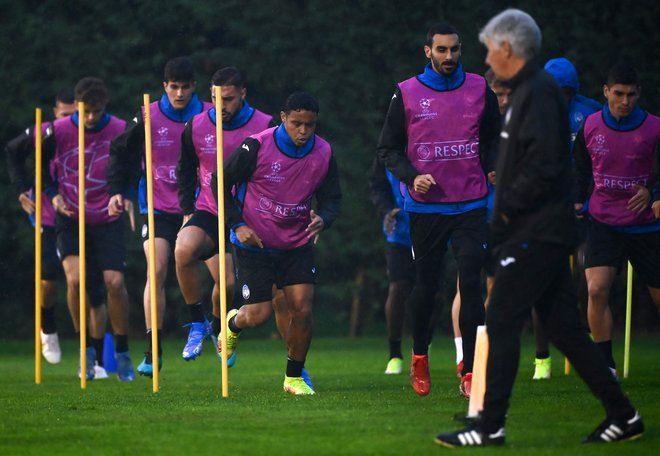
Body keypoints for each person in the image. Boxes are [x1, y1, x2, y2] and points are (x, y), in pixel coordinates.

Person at [435, 9, 643, 447]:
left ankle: (489, 425)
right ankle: (623, 416)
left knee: (503, 316)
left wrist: (508, 214)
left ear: (508, 48)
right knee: (566, 330)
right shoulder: (529, 92)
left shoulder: (539, 93)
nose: (488, 61)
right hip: (538, 230)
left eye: (491, 50)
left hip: (536, 231)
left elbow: (546, 167)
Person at [377, 22, 500, 398]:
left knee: (471, 281)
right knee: (427, 288)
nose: (449, 57)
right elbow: (388, 150)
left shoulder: (481, 88)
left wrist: (494, 165)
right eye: (442, 50)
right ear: (427, 51)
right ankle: (418, 356)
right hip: (428, 208)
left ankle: (468, 369)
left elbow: (494, 138)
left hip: (471, 204)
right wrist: (413, 177)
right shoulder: (407, 92)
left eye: (455, 50)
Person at [218, 91, 341, 395]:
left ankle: (293, 377)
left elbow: (332, 199)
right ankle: (232, 324)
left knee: (302, 309)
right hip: (255, 244)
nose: (302, 131)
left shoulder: (324, 153)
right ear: (283, 118)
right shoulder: (256, 145)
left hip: (296, 243)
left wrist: (323, 218)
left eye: (309, 125)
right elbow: (219, 182)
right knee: (256, 316)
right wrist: (238, 224)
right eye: (296, 123)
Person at [107, 56, 211, 377]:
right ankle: (153, 352)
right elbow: (119, 151)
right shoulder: (146, 115)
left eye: (185, 87)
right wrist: (118, 191)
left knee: (223, 274)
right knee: (158, 268)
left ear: (194, 87)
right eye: (173, 87)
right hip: (155, 207)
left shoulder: (208, 115)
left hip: (199, 207)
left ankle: (218, 329)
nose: (179, 93)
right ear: (165, 86)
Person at [5, 88, 110, 378]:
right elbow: (12, 151)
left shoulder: (93, 131)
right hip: (48, 215)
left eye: (73, 115)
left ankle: (96, 359)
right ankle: (48, 327)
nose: (70, 120)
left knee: (94, 288)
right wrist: (20, 190)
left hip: (84, 217)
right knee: (49, 274)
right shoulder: (45, 131)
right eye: (64, 115)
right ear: (55, 114)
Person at [176, 67, 273, 362]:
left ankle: (222, 332)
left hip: (246, 215)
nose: (222, 106)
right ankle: (197, 322)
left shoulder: (264, 125)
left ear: (242, 94)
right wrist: (186, 210)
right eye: (217, 99)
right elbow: (185, 170)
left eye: (229, 99)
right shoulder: (195, 125)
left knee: (228, 284)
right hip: (209, 209)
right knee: (182, 250)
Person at [42, 77, 135, 382]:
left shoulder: (120, 128)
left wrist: (124, 194)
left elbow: (131, 166)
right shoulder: (58, 129)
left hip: (107, 218)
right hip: (70, 216)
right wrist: (52, 191)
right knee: (75, 279)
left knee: (114, 282)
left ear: (103, 107)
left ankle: (121, 349)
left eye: (96, 111)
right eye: (86, 112)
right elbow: (41, 165)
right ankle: (86, 351)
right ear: (77, 108)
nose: (91, 118)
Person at [574, 62, 660, 377]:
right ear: (606, 92)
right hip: (603, 221)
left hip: (646, 226)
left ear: (639, 94)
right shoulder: (590, 126)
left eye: (632, 95)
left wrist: (654, 192)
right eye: (619, 94)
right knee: (596, 289)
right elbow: (580, 167)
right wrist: (577, 197)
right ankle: (605, 364)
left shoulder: (654, 128)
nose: (625, 101)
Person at [525, 58, 602, 380]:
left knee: (590, 276)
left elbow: (602, 164)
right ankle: (542, 357)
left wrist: (585, 200)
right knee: (541, 285)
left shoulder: (592, 113)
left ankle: (590, 349)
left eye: (567, 91)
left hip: (584, 213)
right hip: (545, 214)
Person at [450, 69, 508, 377]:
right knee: (466, 285)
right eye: (498, 94)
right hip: (471, 216)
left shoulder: (515, 129)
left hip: (506, 222)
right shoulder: (468, 123)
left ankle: (487, 353)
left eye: (508, 94)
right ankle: (465, 357)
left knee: (498, 288)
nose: (503, 100)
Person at [369, 157, 415, 375]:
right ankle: (395, 354)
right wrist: (386, 210)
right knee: (398, 287)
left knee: (432, 292)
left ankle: (424, 344)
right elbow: (377, 186)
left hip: (432, 229)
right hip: (399, 232)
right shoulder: (387, 150)